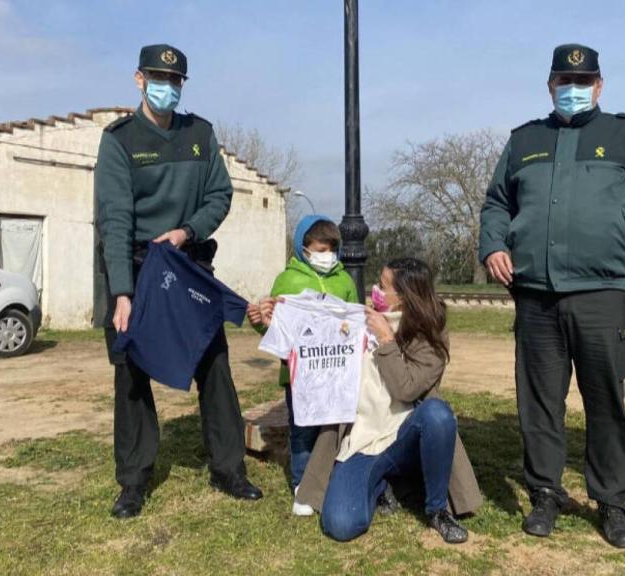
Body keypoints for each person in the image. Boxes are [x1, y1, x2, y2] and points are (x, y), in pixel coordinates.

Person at [478, 43, 625, 547]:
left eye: (583, 81)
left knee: (605, 402)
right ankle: (546, 492)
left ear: (600, 85)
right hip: (536, 295)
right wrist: (492, 246)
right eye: (564, 82)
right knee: (539, 402)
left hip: (603, 294)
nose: (573, 90)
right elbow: (496, 203)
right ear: (549, 86)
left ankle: (611, 502)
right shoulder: (524, 140)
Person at [95, 43, 262, 519]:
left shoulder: (201, 135)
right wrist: (122, 292)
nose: (166, 87)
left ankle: (229, 469)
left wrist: (188, 230)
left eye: (175, 81)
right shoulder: (119, 140)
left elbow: (220, 195)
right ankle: (133, 481)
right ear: (139, 80)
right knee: (131, 372)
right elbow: (114, 217)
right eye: (157, 78)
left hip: (187, 263)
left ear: (182, 85)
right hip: (137, 264)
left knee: (214, 363)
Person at [274, 257, 483, 543]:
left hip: (406, 434)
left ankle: (437, 511)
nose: (375, 290)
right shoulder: (358, 321)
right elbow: (313, 349)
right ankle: (382, 484)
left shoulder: (430, 334)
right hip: (362, 439)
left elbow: (405, 390)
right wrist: (277, 321)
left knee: (438, 414)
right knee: (341, 524)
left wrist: (386, 340)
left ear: (405, 297)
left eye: (383, 287)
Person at [248, 215, 358, 516]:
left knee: (331, 427)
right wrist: (260, 322)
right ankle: (301, 484)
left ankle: (327, 475)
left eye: (330, 250)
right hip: (299, 376)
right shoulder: (287, 280)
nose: (325, 256)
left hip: (335, 372)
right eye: (319, 249)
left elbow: (353, 322)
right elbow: (275, 328)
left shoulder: (345, 281)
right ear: (303, 248)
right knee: (302, 429)